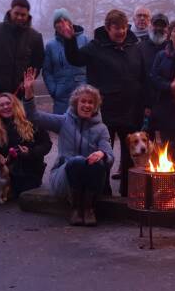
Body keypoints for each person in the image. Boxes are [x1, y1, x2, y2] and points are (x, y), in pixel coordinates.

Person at [61, 9, 147, 196]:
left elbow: (143, 76)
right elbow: (75, 58)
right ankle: (103, 193)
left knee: (129, 156)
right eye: (117, 28)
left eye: (124, 28)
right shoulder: (95, 47)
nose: (121, 32)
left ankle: (127, 192)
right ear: (108, 28)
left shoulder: (135, 46)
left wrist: (145, 103)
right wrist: (69, 40)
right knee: (103, 154)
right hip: (104, 111)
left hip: (131, 110)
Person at [23, 67, 113, 226]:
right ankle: (76, 209)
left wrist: (102, 155)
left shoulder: (101, 129)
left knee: (96, 164)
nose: (86, 105)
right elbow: (34, 117)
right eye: (83, 101)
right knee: (77, 161)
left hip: (91, 179)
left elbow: (110, 157)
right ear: (75, 103)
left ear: (96, 106)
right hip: (64, 178)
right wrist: (29, 93)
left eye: (90, 102)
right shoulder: (64, 121)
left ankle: (88, 208)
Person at [0, 0, 45, 113]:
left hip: (22, 93)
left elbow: (38, 63)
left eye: (23, 15)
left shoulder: (35, 37)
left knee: (21, 127)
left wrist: (27, 82)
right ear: (10, 11)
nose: (19, 17)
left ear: (28, 15)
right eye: (16, 13)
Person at [42, 8, 88, 114]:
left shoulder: (85, 40)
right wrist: (54, 90)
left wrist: (89, 85)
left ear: (70, 22)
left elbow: (93, 66)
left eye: (65, 20)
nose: (62, 24)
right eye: (58, 21)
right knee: (63, 128)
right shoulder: (50, 46)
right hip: (62, 97)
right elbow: (47, 71)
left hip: (84, 94)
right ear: (54, 26)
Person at [139, 13, 170, 130]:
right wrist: (145, 104)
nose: (159, 28)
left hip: (168, 104)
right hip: (144, 105)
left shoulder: (173, 48)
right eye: (156, 25)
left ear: (167, 28)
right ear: (150, 26)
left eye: (162, 26)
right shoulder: (140, 48)